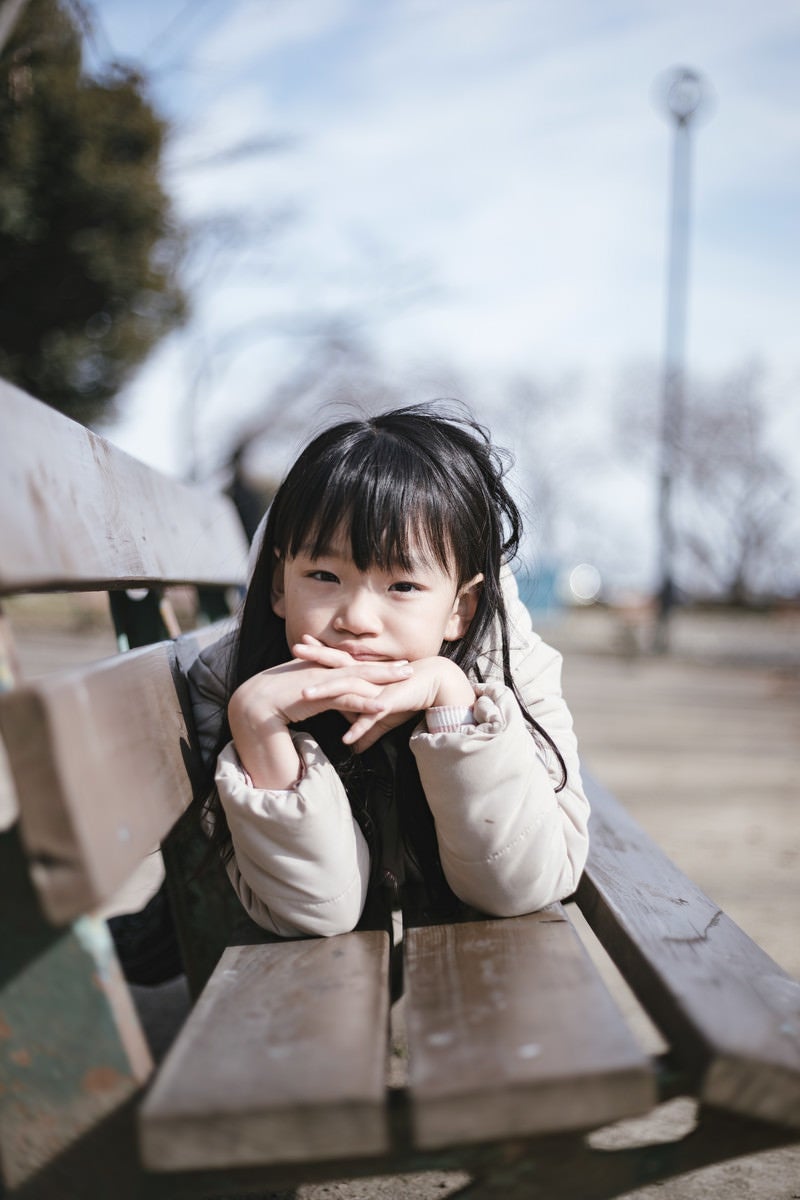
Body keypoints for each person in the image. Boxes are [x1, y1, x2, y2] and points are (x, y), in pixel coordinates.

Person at [188, 402, 589, 938]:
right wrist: (259, 722)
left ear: (459, 610)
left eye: (402, 586)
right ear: (280, 585)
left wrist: (453, 705)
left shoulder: (508, 665)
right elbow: (314, 912)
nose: (355, 618)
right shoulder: (232, 680)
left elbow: (519, 887)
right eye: (324, 575)